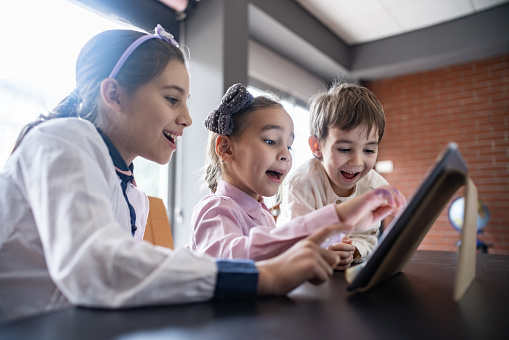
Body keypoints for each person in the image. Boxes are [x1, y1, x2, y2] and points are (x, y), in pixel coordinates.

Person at [0, 25, 376, 324]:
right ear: (113, 95)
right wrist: (264, 278)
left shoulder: (130, 189)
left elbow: (124, 278)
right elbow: (98, 268)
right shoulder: (63, 140)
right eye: (171, 98)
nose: (188, 118)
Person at [188, 84, 405, 262]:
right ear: (226, 149)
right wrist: (336, 220)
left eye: (289, 146)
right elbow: (231, 259)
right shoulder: (216, 209)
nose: (285, 155)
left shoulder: (262, 214)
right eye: (271, 141)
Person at [277, 82, 393, 269]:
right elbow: (295, 238)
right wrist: (324, 250)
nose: (357, 162)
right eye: (345, 149)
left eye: (369, 150)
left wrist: (353, 251)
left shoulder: (376, 188)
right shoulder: (300, 184)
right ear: (317, 146)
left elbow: (367, 237)